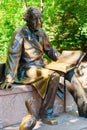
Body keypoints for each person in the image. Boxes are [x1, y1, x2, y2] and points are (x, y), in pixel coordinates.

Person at [1, 6, 87, 125]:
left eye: (40, 19)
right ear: (27, 19)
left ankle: (84, 106)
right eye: (35, 19)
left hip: (41, 66)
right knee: (53, 76)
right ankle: (46, 113)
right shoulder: (19, 33)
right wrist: (9, 78)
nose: (39, 22)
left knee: (69, 71)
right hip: (27, 69)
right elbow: (13, 55)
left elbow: (50, 50)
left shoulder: (41, 32)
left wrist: (65, 61)